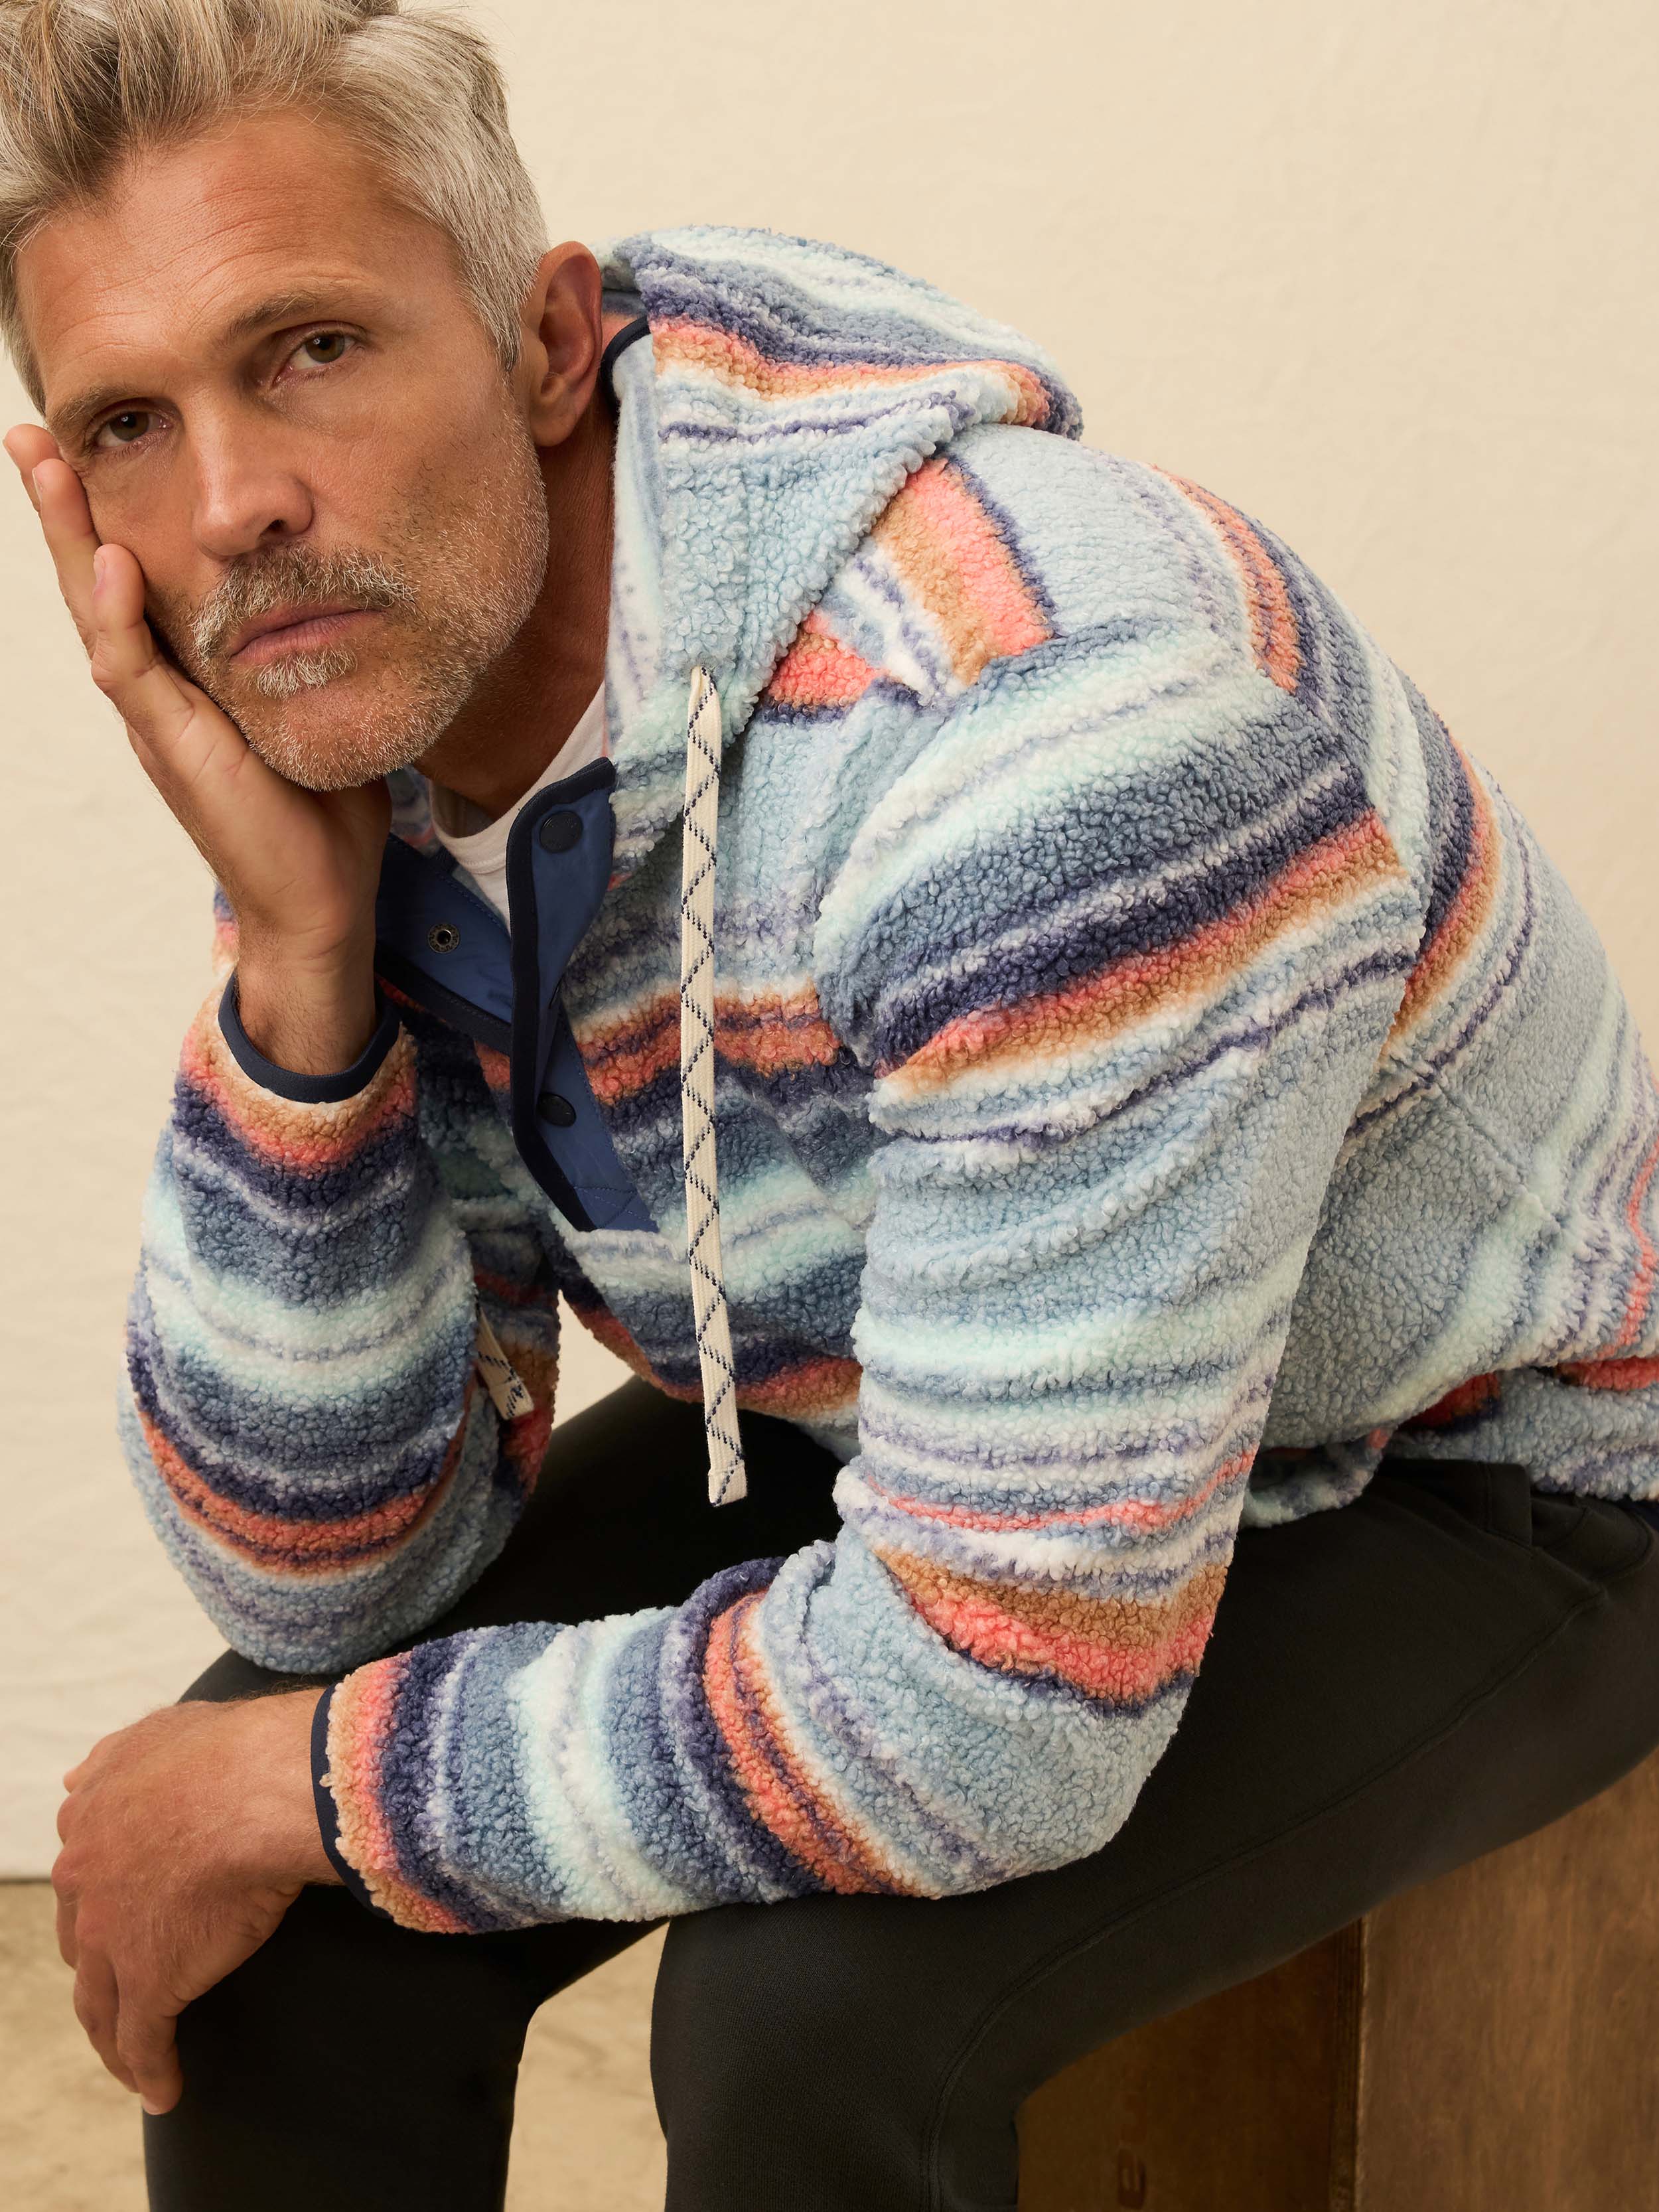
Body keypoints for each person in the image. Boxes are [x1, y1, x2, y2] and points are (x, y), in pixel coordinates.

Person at [6, 2, 1658, 2207]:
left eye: (307, 349)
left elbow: (986, 1721)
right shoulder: (384, 710)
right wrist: (303, 980)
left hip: (1476, 1468)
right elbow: (330, 1586)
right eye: (126, 421)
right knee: (275, 1929)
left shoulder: (1046, 741)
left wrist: (290, 1782)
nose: (235, 510)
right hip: (916, 1411)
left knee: (802, 2019)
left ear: (547, 342)